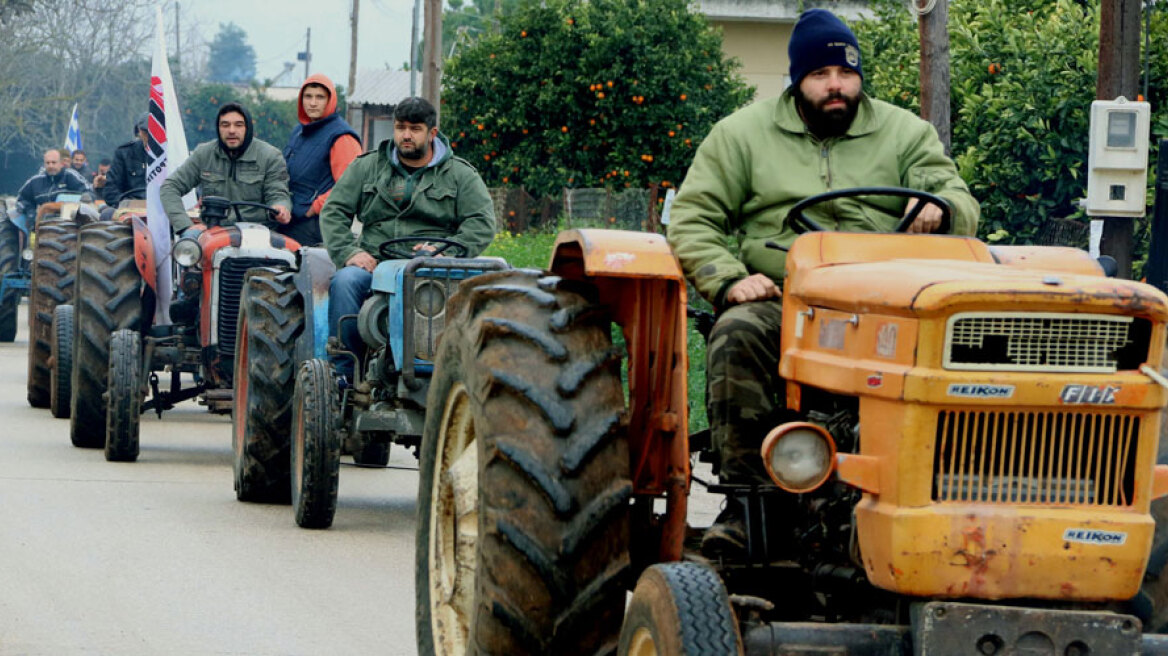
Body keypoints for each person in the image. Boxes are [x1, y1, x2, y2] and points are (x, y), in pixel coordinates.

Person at [666, 9, 980, 557]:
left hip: (886, 303)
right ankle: (748, 505)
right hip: (786, 298)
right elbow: (693, 218)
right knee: (739, 332)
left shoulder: (906, 133)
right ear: (797, 80)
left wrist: (942, 210)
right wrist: (729, 280)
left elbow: (956, 198)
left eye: (847, 73)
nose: (836, 85)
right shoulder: (741, 135)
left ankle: (949, 489)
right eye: (820, 75)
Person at [320, 96, 496, 383]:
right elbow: (333, 211)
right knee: (345, 282)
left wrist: (446, 252)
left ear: (432, 133)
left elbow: (482, 222)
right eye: (401, 127)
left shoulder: (460, 175)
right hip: (376, 265)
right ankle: (344, 376)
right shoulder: (367, 167)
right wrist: (349, 253)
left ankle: (461, 374)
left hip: (433, 269)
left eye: (415, 129)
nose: (406, 135)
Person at [161, 102, 291, 237]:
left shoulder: (270, 156)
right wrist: (184, 226)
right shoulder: (204, 154)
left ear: (248, 128)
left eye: (239, 125)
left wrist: (280, 208)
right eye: (225, 125)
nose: (232, 130)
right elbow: (170, 187)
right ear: (218, 128)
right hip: (214, 232)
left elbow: (278, 194)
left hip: (258, 232)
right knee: (188, 244)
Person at [282, 73, 362, 246]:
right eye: (308, 96)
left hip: (319, 226)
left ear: (330, 101)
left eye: (320, 97)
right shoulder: (299, 132)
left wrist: (314, 208)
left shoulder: (342, 137)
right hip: (291, 218)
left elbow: (349, 186)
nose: (312, 103)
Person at [16, 148, 91, 221]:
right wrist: (30, 212)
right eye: (48, 163)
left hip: (69, 221)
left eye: (54, 162)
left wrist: (82, 199)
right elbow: (21, 199)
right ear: (44, 164)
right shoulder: (35, 181)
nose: (51, 166)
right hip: (40, 222)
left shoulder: (70, 176)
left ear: (61, 164)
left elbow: (88, 192)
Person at [102, 113, 150, 217]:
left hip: (164, 209)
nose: (151, 138)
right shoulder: (124, 153)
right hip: (129, 209)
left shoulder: (172, 155)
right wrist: (124, 204)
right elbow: (110, 189)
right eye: (146, 133)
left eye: (155, 133)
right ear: (140, 132)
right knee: (106, 215)